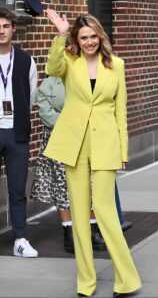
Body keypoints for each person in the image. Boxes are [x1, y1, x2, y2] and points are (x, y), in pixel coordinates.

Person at [44, 10, 142, 297]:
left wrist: (123, 149)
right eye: (83, 37)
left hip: (105, 144)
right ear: (77, 38)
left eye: (93, 37)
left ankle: (127, 280)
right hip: (74, 144)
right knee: (78, 213)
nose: (89, 42)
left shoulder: (117, 65)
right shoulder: (69, 60)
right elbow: (51, 68)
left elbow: (120, 111)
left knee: (104, 211)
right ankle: (85, 283)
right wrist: (61, 35)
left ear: (101, 36)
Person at [30, 76, 132, 253]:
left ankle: (92, 229)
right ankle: (68, 231)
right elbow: (46, 115)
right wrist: (74, 122)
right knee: (61, 187)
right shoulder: (48, 84)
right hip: (60, 141)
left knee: (91, 185)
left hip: (88, 139)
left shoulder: (88, 76)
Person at [0, 7, 38, 257]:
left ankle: (21, 240)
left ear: (14, 29)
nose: (1, 31)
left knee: (16, 188)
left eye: (5, 26)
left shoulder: (25, 60)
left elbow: (31, 95)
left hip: (16, 133)